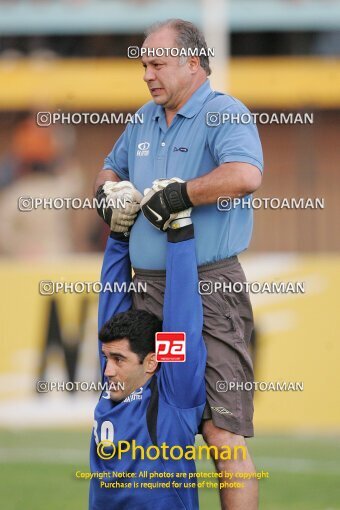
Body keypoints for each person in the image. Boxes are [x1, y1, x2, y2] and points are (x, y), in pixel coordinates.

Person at [94, 19, 263, 510]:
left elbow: (245, 175)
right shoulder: (144, 118)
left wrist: (181, 194)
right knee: (154, 425)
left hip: (208, 291)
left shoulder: (223, 112)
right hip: (145, 290)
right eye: (143, 65)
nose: (147, 74)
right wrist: (108, 193)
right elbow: (109, 168)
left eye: (157, 64)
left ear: (194, 62)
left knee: (219, 432)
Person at [89, 201, 207, 510]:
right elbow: (111, 302)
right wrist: (118, 234)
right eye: (108, 358)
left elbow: (182, 318)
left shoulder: (172, 397)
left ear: (153, 362)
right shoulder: (118, 379)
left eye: (118, 360)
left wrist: (179, 229)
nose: (107, 370)